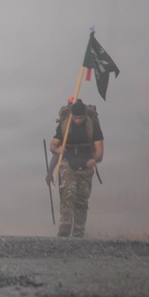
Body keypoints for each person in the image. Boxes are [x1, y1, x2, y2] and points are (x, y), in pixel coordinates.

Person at [49, 98, 104, 237]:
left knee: (82, 199)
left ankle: (78, 233)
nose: (78, 120)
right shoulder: (65, 125)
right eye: (75, 118)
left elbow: (99, 151)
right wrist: (57, 150)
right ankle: (64, 229)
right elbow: (53, 145)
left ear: (85, 116)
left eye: (80, 118)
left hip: (86, 164)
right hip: (68, 162)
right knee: (68, 194)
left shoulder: (93, 126)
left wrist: (94, 159)